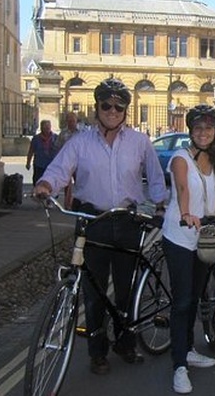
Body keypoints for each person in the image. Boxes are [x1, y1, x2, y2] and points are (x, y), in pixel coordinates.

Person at [33, 78, 168, 376]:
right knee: (93, 293)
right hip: (93, 222)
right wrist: (44, 185)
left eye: (119, 106)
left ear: (125, 111)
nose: (112, 110)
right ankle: (98, 352)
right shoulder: (79, 142)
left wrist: (160, 205)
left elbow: (156, 177)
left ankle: (126, 343)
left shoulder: (139, 142)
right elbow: (58, 170)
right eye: (106, 105)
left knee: (126, 290)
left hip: (128, 221)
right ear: (97, 108)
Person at [162, 105, 215, 394]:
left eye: (209, 129)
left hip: (204, 239)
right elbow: (183, 188)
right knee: (182, 301)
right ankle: (179, 367)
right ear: (191, 131)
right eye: (198, 128)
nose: (203, 133)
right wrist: (187, 213)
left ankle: (187, 348)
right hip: (180, 236)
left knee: (196, 295)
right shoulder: (180, 158)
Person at [55, 112, 82, 208]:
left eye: (73, 121)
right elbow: (58, 146)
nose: (71, 123)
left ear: (76, 121)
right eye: (69, 121)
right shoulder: (63, 133)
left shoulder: (82, 132)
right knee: (67, 184)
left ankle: (81, 202)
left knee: (80, 182)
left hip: (80, 162)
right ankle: (68, 204)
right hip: (67, 162)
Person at [25, 119, 58, 185]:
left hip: (52, 165)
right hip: (39, 165)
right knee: (38, 182)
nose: (47, 129)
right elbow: (31, 151)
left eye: (48, 127)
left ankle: (52, 195)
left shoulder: (55, 138)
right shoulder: (36, 139)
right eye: (45, 127)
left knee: (51, 183)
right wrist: (28, 163)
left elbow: (60, 151)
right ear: (41, 128)